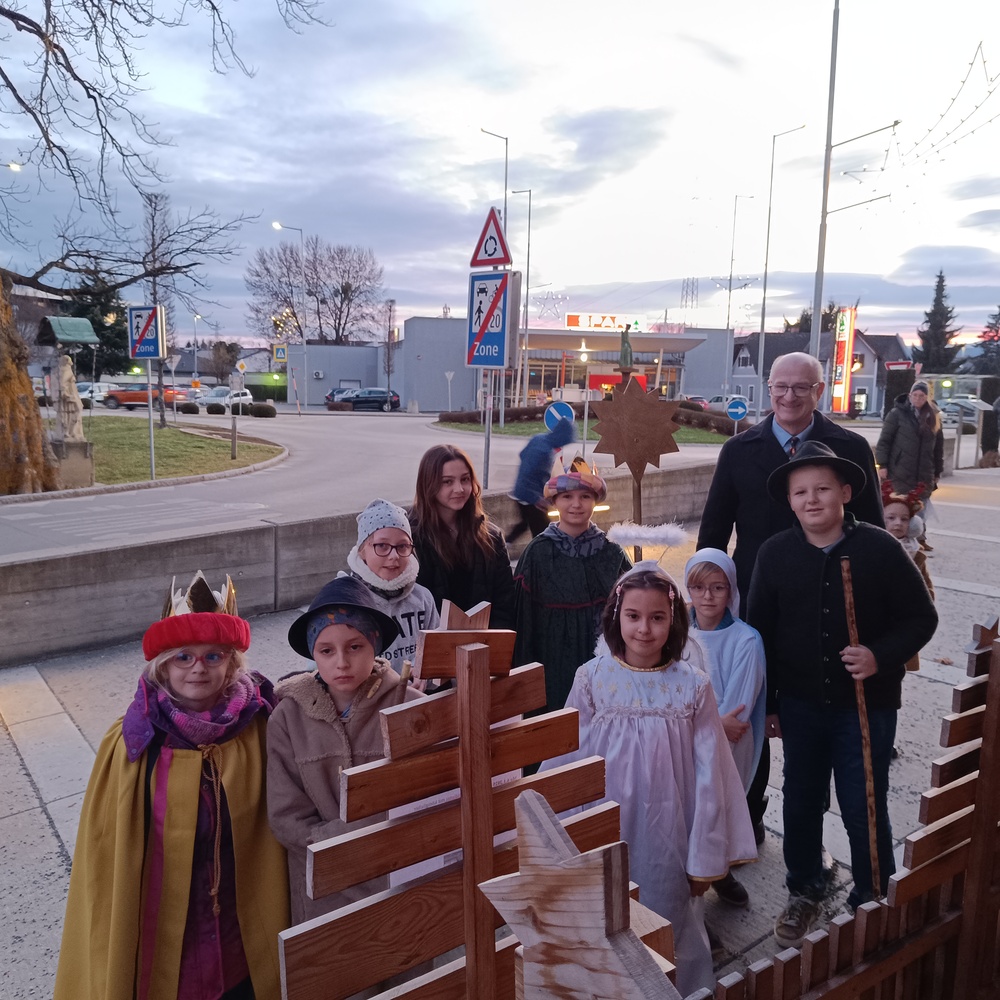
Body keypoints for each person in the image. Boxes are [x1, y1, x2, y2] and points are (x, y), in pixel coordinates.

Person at [55, 572, 288, 1000]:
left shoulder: (259, 726)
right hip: (169, 955)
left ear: (232, 663)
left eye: (214, 655)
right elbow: (107, 860)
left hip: (243, 951)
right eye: (183, 657)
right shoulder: (132, 742)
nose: (198, 667)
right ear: (163, 664)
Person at [747, 441, 937, 948]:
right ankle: (805, 886)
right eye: (801, 492)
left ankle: (873, 898)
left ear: (846, 493)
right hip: (801, 706)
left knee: (863, 801)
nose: (812, 499)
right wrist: (769, 704)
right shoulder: (775, 555)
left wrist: (879, 655)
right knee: (801, 798)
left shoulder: (879, 548)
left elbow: (921, 617)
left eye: (823, 489)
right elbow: (759, 634)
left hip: (867, 706)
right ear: (790, 501)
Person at [697, 351, 884, 843]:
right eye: (780, 386)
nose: (789, 396)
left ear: (819, 391)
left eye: (801, 387)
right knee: (749, 708)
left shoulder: (850, 448)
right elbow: (714, 529)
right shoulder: (739, 450)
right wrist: (704, 596)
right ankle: (748, 814)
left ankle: (808, 823)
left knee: (811, 716)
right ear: (768, 388)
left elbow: (873, 530)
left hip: (824, 605)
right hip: (755, 603)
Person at [545, 563, 756, 996]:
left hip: (668, 835)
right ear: (616, 617)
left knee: (667, 920)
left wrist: (704, 858)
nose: (644, 629)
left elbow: (711, 778)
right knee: (603, 918)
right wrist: (558, 834)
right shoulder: (592, 679)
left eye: (657, 617)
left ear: (673, 619)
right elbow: (568, 757)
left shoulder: (692, 687)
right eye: (634, 616)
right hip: (604, 827)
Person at [267, 575, 423, 923]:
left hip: (397, 881)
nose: (341, 662)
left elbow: (427, 793)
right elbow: (285, 815)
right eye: (326, 650)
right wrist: (337, 841)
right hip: (324, 888)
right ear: (313, 653)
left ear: (375, 645)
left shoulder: (410, 707)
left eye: (355, 647)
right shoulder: (287, 718)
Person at [684, 548, 766, 909]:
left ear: (731, 589)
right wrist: (709, 722)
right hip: (683, 741)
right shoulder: (676, 634)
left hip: (725, 747)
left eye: (717, 587)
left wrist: (702, 724)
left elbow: (737, 712)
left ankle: (720, 871)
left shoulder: (745, 640)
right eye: (698, 587)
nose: (707, 596)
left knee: (717, 809)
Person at [512, 468, 630, 711]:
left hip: (602, 660)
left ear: (595, 501)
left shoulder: (612, 551)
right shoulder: (538, 553)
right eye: (567, 497)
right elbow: (523, 621)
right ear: (555, 501)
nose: (576, 504)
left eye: (585, 496)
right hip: (551, 661)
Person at [409, 444, 515, 628]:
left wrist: (488, 641)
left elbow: (505, 604)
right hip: (431, 643)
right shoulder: (410, 539)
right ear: (428, 484)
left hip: (483, 641)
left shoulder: (491, 537)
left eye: (465, 479)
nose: (459, 489)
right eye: (447, 482)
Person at [344, 497, 440, 674]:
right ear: (362, 550)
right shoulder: (344, 601)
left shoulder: (423, 598)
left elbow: (437, 651)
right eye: (382, 545)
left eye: (402, 546)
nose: (394, 555)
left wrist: (426, 674)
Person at [875, 380, 944, 546]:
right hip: (900, 470)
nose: (918, 398)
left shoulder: (933, 417)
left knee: (921, 508)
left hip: (924, 472)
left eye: (922, 396)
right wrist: (883, 465)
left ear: (927, 398)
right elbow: (884, 441)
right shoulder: (897, 414)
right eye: (915, 395)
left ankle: (920, 538)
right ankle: (896, 540)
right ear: (910, 395)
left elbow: (938, 448)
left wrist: (937, 471)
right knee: (900, 507)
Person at [881, 481, 934, 672]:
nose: (898, 523)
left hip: (903, 625)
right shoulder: (873, 549)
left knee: (898, 668)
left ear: (913, 524)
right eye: (891, 518)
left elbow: (928, 592)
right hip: (878, 624)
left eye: (904, 519)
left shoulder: (916, 555)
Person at [505, 417, 577, 544]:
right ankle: (539, 553)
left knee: (524, 525)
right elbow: (533, 472)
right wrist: (536, 498)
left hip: (520, 492)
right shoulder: (545, 451)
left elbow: (522, 455)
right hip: (529, 497)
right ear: (562, 437)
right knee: (543, 532)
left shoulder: (538, 439)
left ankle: (505, 544)